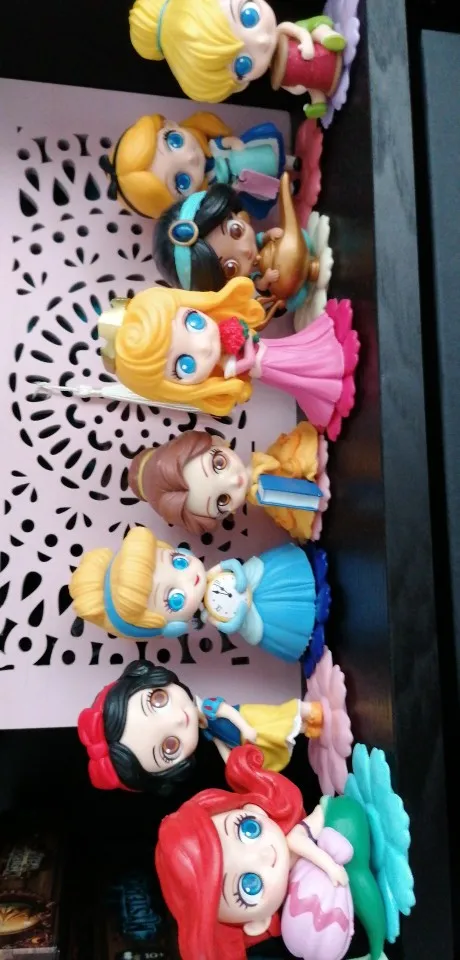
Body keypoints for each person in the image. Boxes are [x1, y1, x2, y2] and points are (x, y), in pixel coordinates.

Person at [155, 744, 390, 960]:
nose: (264, 854)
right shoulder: (296, 900)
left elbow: (298, 841)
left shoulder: (292, 840)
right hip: (340, 865)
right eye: (250, 885)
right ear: (258, 922)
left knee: (356, 874)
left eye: (248, 829)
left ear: (253, 810)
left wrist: (330, 866)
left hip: (342, 820)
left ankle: (376, 947)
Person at [97, 276, 359, 440]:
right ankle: (324, 382)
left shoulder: (223, 341)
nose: (203, 347)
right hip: (265, 364)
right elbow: (246, 363)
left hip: (268, 351)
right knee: (294, 374)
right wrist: (247, 350)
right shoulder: (227, 369)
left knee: (294, 353)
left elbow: (247, 339)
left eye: (193, 322)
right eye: (185, 365)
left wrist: (243, 335)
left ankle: (323, 354)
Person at [69, 526, 331, 665]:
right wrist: (239, 612)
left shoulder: (213, 573)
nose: (189, 579)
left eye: (178, 562)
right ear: (171, 627)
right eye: (175, 599)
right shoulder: (209, 615)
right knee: (273, 626)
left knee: (281, 573)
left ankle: (309, 574)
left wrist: (239, 576)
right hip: (257, 618)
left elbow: (231, 564)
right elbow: (229, 625)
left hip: (256, 577)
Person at [77, 660, 329, 795]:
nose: (178, 720)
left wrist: (245, 728)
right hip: (239, 740)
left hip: (246, 719)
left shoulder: (206, 708)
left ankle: (308, 711)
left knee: (275, 718)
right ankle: (306, 727)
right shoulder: (204, 728)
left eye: (157, 700)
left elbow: (227, 711)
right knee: (275, 738)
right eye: (170, 746)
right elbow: (218, 740)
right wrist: (232, 760)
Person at [128, 0, 346, 111]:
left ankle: (327, 36)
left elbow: (298, 31)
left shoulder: (284, 31)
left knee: (318, 28)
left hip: (320, 31)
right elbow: (295, 87)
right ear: (240, 85)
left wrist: (306, 43)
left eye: (249, 16)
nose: (262, 41)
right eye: (243, 64)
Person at [128, 425, 330, 541]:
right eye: (222, 500)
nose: (234, 481)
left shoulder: (264, 460)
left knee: (299, 455)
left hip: (287, 458)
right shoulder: (260, 496)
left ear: (217, 442)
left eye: (219, 463)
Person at [99, 111, 299, 220]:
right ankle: (288, 188)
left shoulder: (212, 147)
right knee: (267, 186)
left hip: (243, 157)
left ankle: (291, 162)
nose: (190, 158)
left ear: (170, 125)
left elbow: (223, 143)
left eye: (175, 142)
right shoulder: (209, 194)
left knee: (269, 156)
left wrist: (232, 143)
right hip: (242, 184)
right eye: (182, 181)